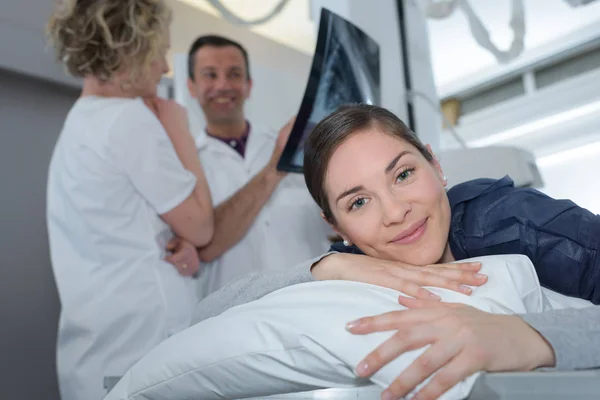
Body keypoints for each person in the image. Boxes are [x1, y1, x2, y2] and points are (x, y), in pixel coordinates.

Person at [194, 104, 600, 400]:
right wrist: (329, 266)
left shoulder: (512, 222)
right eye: (358, 202)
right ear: (335, 226)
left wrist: (531, 337)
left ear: (435, 166)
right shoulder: (352, 263)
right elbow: (206, 317)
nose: (395, 212)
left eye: (403, 174)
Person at [46, 1, 213, 399]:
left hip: (100, 352)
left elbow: (127, 225)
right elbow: (203, 225)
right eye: (159, 53)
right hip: (138, 349)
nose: (164, 68)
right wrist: (179, 130)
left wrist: (176, 241)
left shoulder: (81, 119)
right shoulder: (128, 121)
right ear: (131, 50)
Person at [185, 34, 332, 296]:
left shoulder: (297, 146)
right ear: (191, 87)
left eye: (234, 74)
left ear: (249, 85)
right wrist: (276, 167)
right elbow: (206, 245)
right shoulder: (186, 167)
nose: (223, 85)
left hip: (313, 302)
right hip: (236, 317)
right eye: (210, 75)